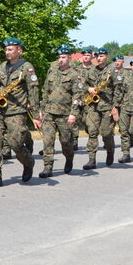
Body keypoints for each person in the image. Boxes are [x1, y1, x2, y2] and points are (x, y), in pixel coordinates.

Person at [0, 38, 40, 187]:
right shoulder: (2, 66)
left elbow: (33, 91)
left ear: (19, 50)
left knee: (16, 143)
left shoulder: (27, 67)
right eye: (6, 50)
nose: (7, 52)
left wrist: (37, 114)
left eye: (10, 49)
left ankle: (28, 162)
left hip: (16, 111)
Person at [38, 45, 83, 177]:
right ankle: (48, 167)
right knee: (48, 140)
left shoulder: (75, 74)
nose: (60, 60)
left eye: (63, 57)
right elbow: (45, 91)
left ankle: (69, 158)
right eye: (59, 57)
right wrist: (42, 109)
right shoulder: (52, 72)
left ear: (70, 58)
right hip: (49, 113)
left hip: (65, 114)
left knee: (65, 142)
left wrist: (73, 114)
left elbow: (77, 96)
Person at [82, 47, 116, 169]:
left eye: (101, 56)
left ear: (107, 56)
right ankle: (92, 159)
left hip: (107, 106)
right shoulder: (91, 70)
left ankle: (110, 151)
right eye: (97, 56)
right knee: (92, 132)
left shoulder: (113, 70)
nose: (99, 58)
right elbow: (82, 83)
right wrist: (88, 88)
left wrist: (115, 107)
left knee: (106, 133)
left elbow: (119, 90)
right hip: (93, 105)